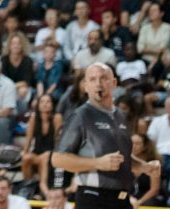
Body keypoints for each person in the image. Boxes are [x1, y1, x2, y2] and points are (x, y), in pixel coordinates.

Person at [52, 63, 146, 209]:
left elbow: (120, 158)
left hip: (122, 198)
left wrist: (144, 166)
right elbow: (58, 159)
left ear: (114, 83)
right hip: (93, 197)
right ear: (85, 86)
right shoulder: (80, 115)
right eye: (92, 79)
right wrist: (97, 163)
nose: (98, 84)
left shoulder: (120, 115)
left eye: (103, 78)